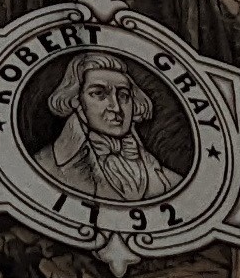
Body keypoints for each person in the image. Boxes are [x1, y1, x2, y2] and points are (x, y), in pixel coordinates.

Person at [40, 51, 181, 206]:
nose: (116, 107)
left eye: (123, 96)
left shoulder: (169, 179)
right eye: (99, 93)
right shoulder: (45, 165)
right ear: (76, 101)